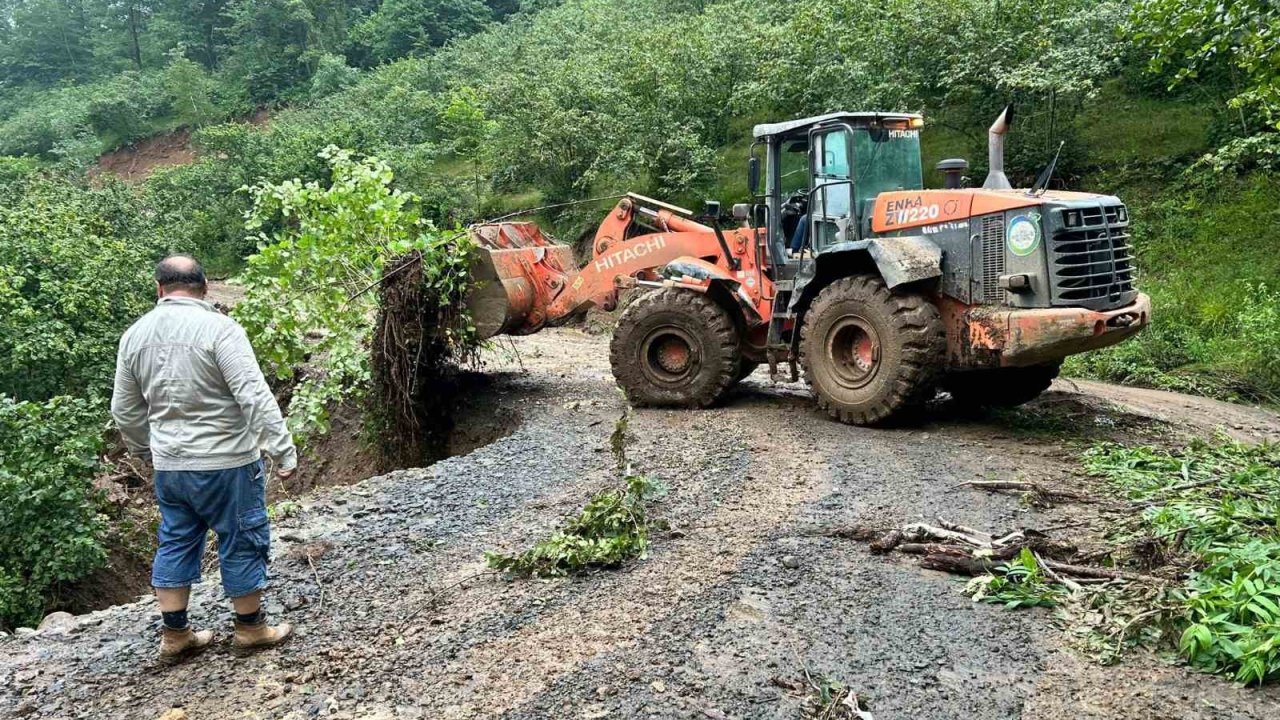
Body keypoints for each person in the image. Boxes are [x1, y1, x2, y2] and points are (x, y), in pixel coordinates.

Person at [111, 255, 297, 663]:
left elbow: (125, 410)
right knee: (242, 536)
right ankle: (250, 629)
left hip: (171, 466)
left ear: (159, 288)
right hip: (227, 461)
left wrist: (146, 450)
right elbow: (252, 394)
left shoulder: (134, 335)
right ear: (206, 287)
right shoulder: (220, 330)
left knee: (176, 539)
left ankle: (175, 635)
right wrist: (281, 448)